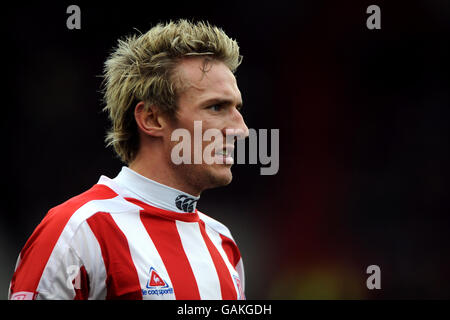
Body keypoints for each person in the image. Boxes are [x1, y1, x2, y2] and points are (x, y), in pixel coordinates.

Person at [9, 19, 248, 300]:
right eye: (216, 107)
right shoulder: (77, 231)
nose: (240, 129)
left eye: (236, 108)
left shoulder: (222, 242)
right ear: (151, 118)